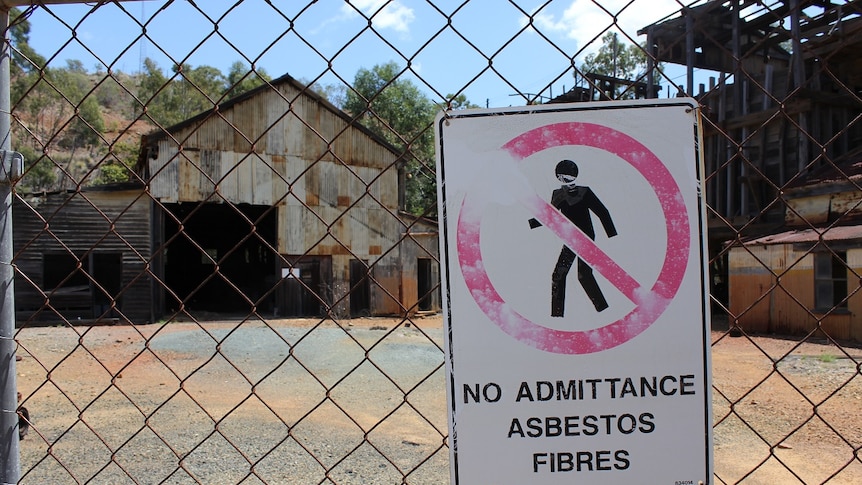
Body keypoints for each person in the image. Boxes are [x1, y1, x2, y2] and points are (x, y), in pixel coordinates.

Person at [529, 160, 617, 317]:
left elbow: (603, 212)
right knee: (561, 275)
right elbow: (549, 215)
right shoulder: (558, 194)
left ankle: (602, 309)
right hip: (570, 239)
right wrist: (530, 224)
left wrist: (612, 235)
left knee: (583, 275)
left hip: (586, 239)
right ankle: (557, 315)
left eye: (567, 177)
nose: (565, 181)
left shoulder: (585, 192)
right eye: (562, 177)